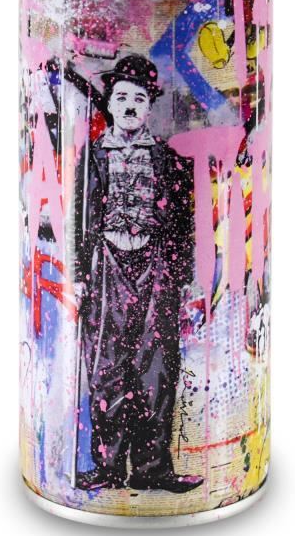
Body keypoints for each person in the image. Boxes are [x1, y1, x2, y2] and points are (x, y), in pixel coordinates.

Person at [73, 54, 203, 493]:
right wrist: (79, 274)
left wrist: (182, 277)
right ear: (110, 103)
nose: (130, 105)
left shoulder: (168, 159)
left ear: (149, 107)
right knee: (107, 368)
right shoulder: (93, 157)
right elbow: (80, 216)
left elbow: (182, 223)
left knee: (156, 369)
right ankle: (108, 467)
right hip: (106, 267)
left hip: (156, 267)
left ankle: (152, 469)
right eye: (122, 97)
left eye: (139, 99)